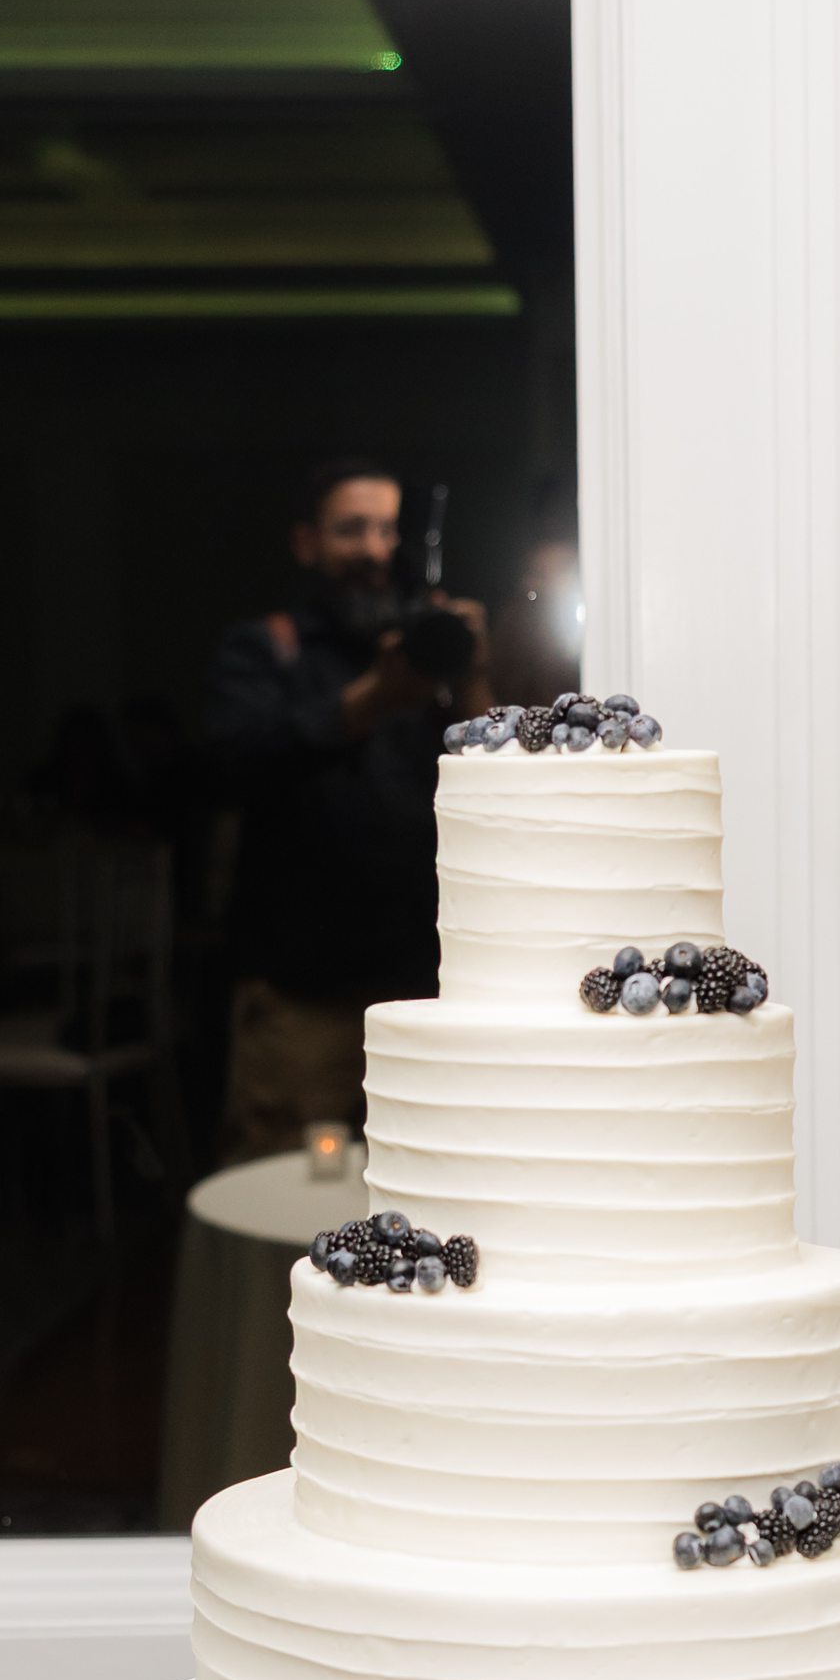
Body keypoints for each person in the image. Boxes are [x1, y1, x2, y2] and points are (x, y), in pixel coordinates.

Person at [202, 457, 490, 1160]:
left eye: (389, 530)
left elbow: (491, 791)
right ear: (306, 542)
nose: (373, 549)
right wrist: (370, 701)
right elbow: (230, 765)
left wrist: (471, 671)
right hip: (305, 1000)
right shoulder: (268, 650)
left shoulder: (428, 652)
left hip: (425, 996)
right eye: (351, 529)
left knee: (431, 1203)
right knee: (287, 1211)